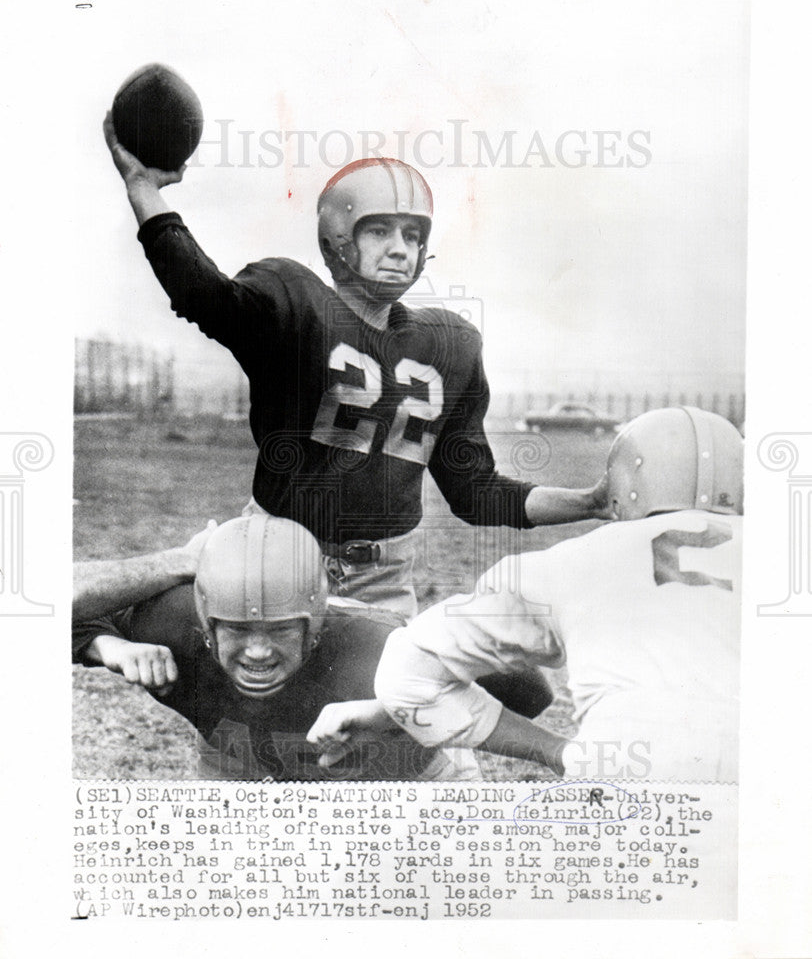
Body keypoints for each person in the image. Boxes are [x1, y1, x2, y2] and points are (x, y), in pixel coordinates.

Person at [104, 117, 608, 618]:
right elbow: (202, 293)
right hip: (273, 558)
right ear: (339, 238)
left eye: (413, 235)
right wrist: (143, 188)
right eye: (380, 230)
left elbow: (476, 492)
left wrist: (589, 502)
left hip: (382, 581)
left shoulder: (450, 344)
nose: (400, 248)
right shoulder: (295, 302)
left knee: (406, 693)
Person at [309, 408, 743, 783]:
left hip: (630, 765)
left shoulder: (577, 560)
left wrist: (557, 752)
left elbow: (408, 673)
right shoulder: (789, 556)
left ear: (622, 482)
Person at [73, 513, 551, 781]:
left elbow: (532, 692)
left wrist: (394, 708)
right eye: (236, 630)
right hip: (244, 772)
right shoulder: (169, 627)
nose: (257, 652)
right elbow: (41, 604)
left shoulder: (377, 646)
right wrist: (105, 645)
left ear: (317, 626)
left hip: (400, 783)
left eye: (280, 630)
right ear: (203, 622)